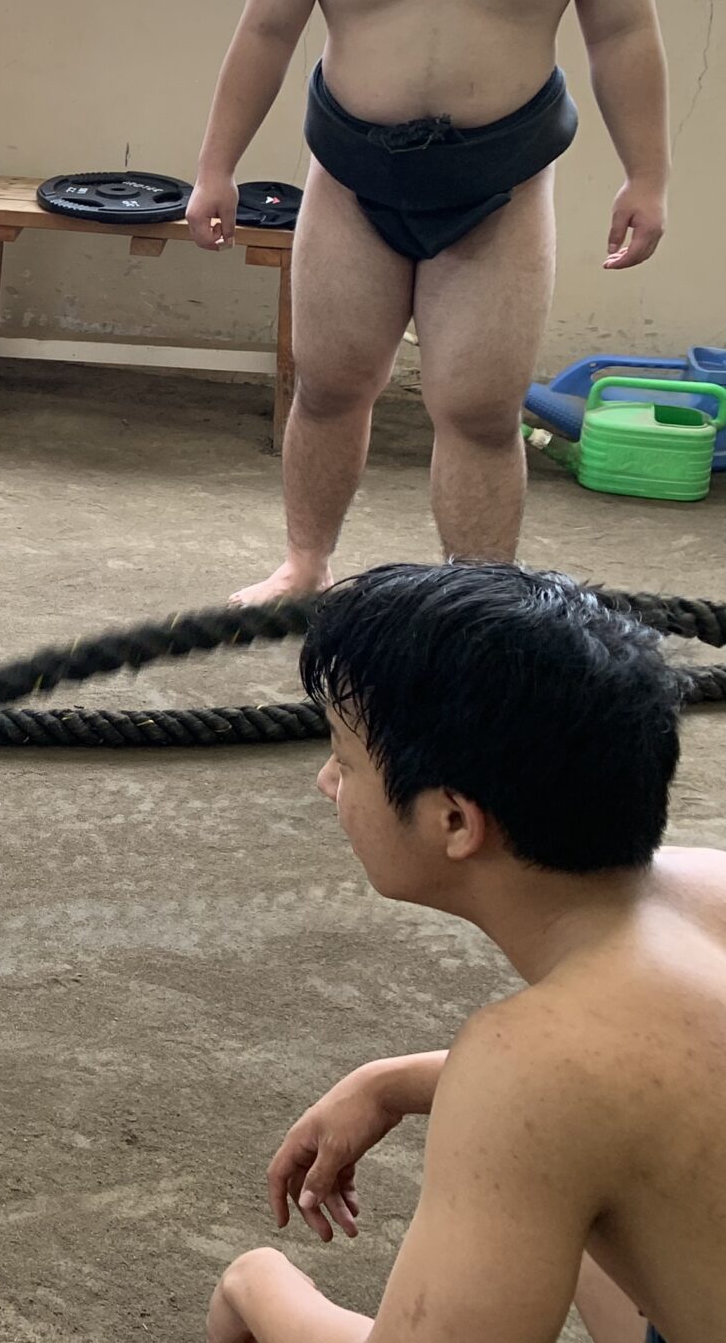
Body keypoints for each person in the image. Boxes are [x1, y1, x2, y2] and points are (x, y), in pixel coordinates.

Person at [185, 0, 670, 604]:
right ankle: (306, 566)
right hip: (353, 177)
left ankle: (478, 605)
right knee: (330, 384)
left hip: (501, 180)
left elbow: (622, 35)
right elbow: (266, 32)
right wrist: (216, 167)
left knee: (480, 408)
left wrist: (646, 174)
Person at [205, 561, 720, 1343]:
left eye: (346, 762)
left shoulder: (531, 1063)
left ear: (453, 821)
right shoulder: (707, 887)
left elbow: (570, 1083)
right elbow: (639, 1074)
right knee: (575, 1175)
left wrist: (258, 1288)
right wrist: (392, 1083)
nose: (325, 783)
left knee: (257, 1288)